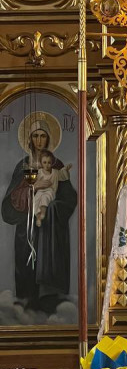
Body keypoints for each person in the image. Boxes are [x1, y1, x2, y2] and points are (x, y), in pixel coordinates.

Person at [1, 118, 77, 313]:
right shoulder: (23, 165)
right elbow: (11, 199)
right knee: (27, 264)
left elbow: (69, 197)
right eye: (35, 135)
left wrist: (53, 208)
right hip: (27, 227)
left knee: (49, 268)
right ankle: (27, 301)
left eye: (43, 136)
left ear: (49, 138)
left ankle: (50, 301)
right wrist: (33, 188)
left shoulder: (56, 164)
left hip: (51, 228)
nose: (39, 140)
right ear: (30, 139)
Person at [32, 150, 71, 227]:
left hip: (50, 191)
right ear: (41, 163)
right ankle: (38, 217)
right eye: (44, 162)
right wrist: (36, 184)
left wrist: (65, 170)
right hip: (40, 191)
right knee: (35, 200)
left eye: (49, 162)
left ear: (52, 163)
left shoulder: (55, 172)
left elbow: (63, 175)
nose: (47, 165)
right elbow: (34, 182)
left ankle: (43, 213)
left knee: (45, 197)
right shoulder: (39, 172)